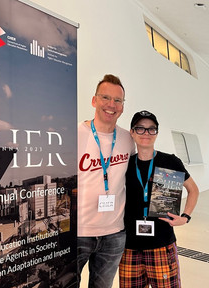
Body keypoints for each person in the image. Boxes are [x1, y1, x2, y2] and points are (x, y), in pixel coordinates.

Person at [119, 110, 199, 288]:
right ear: (132, 132)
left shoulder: (170, 162)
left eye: (151, 129)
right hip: (130, 246)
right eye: (140, 129)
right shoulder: (125, 164)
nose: (146, 133)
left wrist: (185, 217)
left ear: (156, 132)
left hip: (161, 244)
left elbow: (193, 190)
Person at [77, 74, 135, 288]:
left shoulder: (128, 139)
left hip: (114, 234)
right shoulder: (76, 134)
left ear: (122, 106)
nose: (111, 105)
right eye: (105, 98)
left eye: (118, 100)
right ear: (94, 100)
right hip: (79, 232)